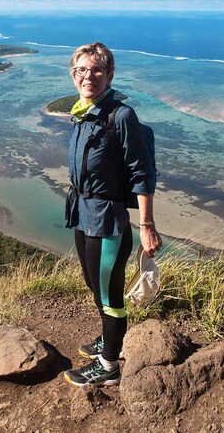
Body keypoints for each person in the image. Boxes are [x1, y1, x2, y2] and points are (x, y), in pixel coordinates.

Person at [63, 42, 162, 387]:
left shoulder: (120, 116)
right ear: (73, 75)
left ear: (109, 74)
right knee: (94, 285)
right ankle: (110, 340)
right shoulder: (82, 110)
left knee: (109, 295)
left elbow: (142, 174)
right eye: (81, 70)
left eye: (96, 70)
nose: (88, 76)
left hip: (107, 219)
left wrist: (147, 226)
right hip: (83, 213)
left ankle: (108, 367)